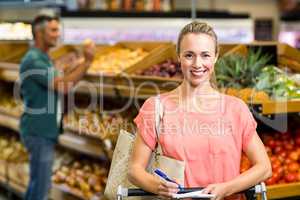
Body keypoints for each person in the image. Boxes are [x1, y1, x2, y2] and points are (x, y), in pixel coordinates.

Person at [128, 21, 272, 200]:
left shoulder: (236, 109)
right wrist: (156, 186)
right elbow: (134, 170)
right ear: (178, 56)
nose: (197, 64)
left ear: (215, 57)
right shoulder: (156, 107)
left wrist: (227, 188)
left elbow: (264, 167)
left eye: (205, 55)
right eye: (189, 55)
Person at [19, 14, 95, 200]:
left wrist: (73, 65)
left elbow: (57, 76)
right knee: (42, 188)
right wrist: (86, 63)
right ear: (39, 32)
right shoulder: (34, 59)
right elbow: (62, 85)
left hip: (41, 131)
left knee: (36, 184)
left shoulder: (43, 58)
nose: (57, 34)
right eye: (53, 30)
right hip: (39, 132)